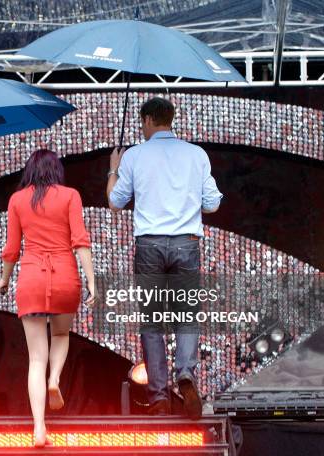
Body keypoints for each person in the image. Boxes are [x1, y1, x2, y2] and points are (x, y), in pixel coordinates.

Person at [106, 97, 222, 419]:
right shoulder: (196, 155)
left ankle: (158, 395)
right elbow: (212, 204)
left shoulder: (134, 156)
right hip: (186, 243)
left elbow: (116, 202)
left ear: (145, 120)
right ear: (171, 119)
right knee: (187, 315)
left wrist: (114, 168)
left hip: (149, 246)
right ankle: (185, 372)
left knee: (153, 322)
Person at [0, 149, 95, 447]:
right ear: (56, 171)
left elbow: (12, 248)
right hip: (64, 275)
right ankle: (55, 379)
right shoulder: (70, 196)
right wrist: (92, 281)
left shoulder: (17, 200)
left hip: (32, 278)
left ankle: (39, 428)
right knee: (61, 334)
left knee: (36, 357)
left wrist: (3, 279)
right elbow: (80, 241)